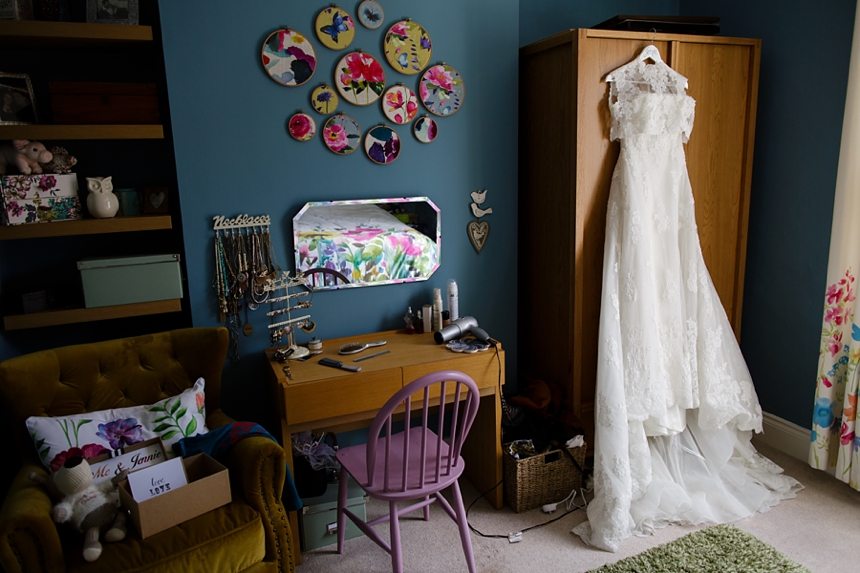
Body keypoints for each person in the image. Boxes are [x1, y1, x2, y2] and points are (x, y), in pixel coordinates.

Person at [571, 46, 802, 553]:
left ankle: (669, 413)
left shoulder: (677, 91)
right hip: (637, 199)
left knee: (673, 293)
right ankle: (647, 425)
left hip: (670, 198)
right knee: (640, 297)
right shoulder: (623, 87)